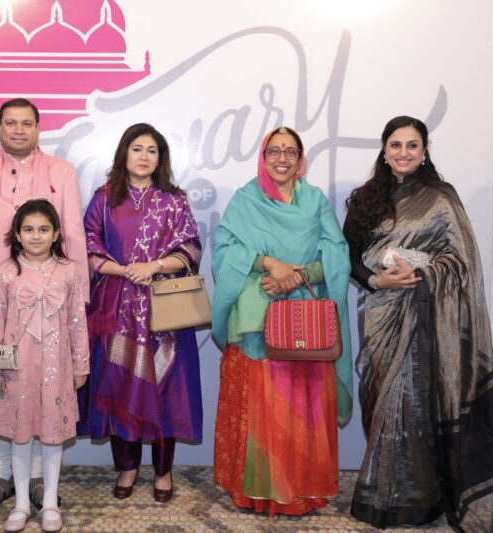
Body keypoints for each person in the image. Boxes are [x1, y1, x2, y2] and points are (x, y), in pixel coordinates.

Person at [344, 116, 493, 530]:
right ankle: (385, 489)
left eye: (412, 145)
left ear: (424, 151)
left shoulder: (441, 198)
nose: (404, 152)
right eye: (396, 145)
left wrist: (423, 272)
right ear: (384, 150)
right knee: (380, 397)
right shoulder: (365, 199)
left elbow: (463, 261)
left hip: (425, 313)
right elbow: (349, 258)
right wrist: (378, 279)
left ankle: (415, 498)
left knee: (412, 400)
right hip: (379, 315)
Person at [0, 98, 89, 511]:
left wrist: (78, 297)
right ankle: (1, 474)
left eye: (26, 123)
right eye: (9, 123)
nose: (17, 130)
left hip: (50, 307)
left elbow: (75, 237)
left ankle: (32, 482)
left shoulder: (61, 172)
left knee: (45, 388)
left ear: (38, 128)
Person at [211, 126, 352, 516]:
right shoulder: (245, 200)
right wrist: (268, 263)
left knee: (300, 407)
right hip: (257, 319)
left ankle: (301, 490)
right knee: (262, 406)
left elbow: (338, 257)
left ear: (300, 159)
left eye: (291, 151)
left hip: (305, 321)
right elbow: (225, 250)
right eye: (275, 150)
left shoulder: (316, 201)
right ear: (263, 155)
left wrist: (299, 276)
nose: (282, 158)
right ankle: (259, 491)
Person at [77, 123, 203, 503]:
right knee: (117, 385)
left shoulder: (174, 200)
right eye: (137, 149)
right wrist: (124, 269)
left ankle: (163, 472)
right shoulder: (103, 198)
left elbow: (192, 247)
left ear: (160, 158)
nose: (144, 156)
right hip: (114, 307)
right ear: (124, 154)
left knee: (165, 388)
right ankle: (127, 467)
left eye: (152, 150)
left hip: (164, 309)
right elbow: (87, 244)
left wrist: (155, 266)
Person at [0, 199, 89, 532]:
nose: (36, 236)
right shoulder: (6, 271)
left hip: (56, 370)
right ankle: (21, 504)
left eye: (44, 229)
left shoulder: (69, 271)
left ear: (56, 233)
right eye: (28, 229)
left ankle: (51, 503)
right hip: (18, 370)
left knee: (53, 436)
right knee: (19, 435)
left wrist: (80, 365)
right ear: (17, 233)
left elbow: (77, 322)